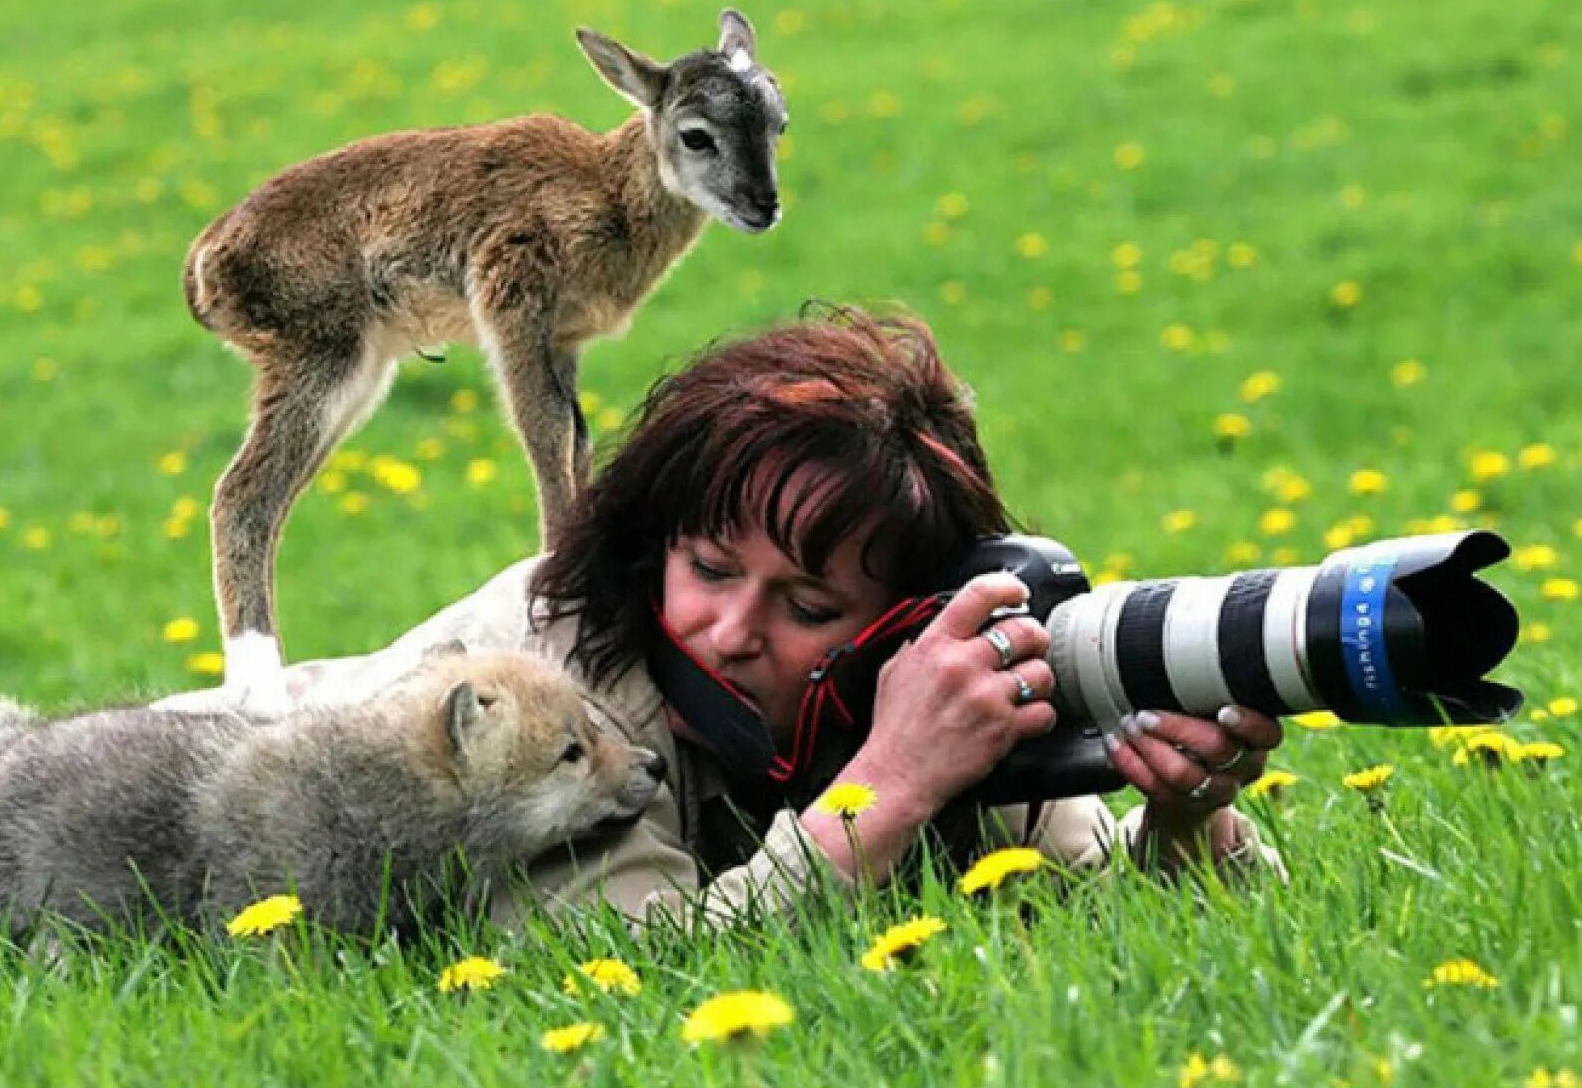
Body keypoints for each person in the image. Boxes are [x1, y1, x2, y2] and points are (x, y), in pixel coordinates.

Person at [164, 306, 1286, 927]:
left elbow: (1109, 899)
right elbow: (642, 988)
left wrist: (1189, 822)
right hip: (127, 806)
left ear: (904, 618)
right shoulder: (542, 689)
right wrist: (885, 786)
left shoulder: (925, 674)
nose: (731, 629)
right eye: (707, 566)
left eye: (807, 603)